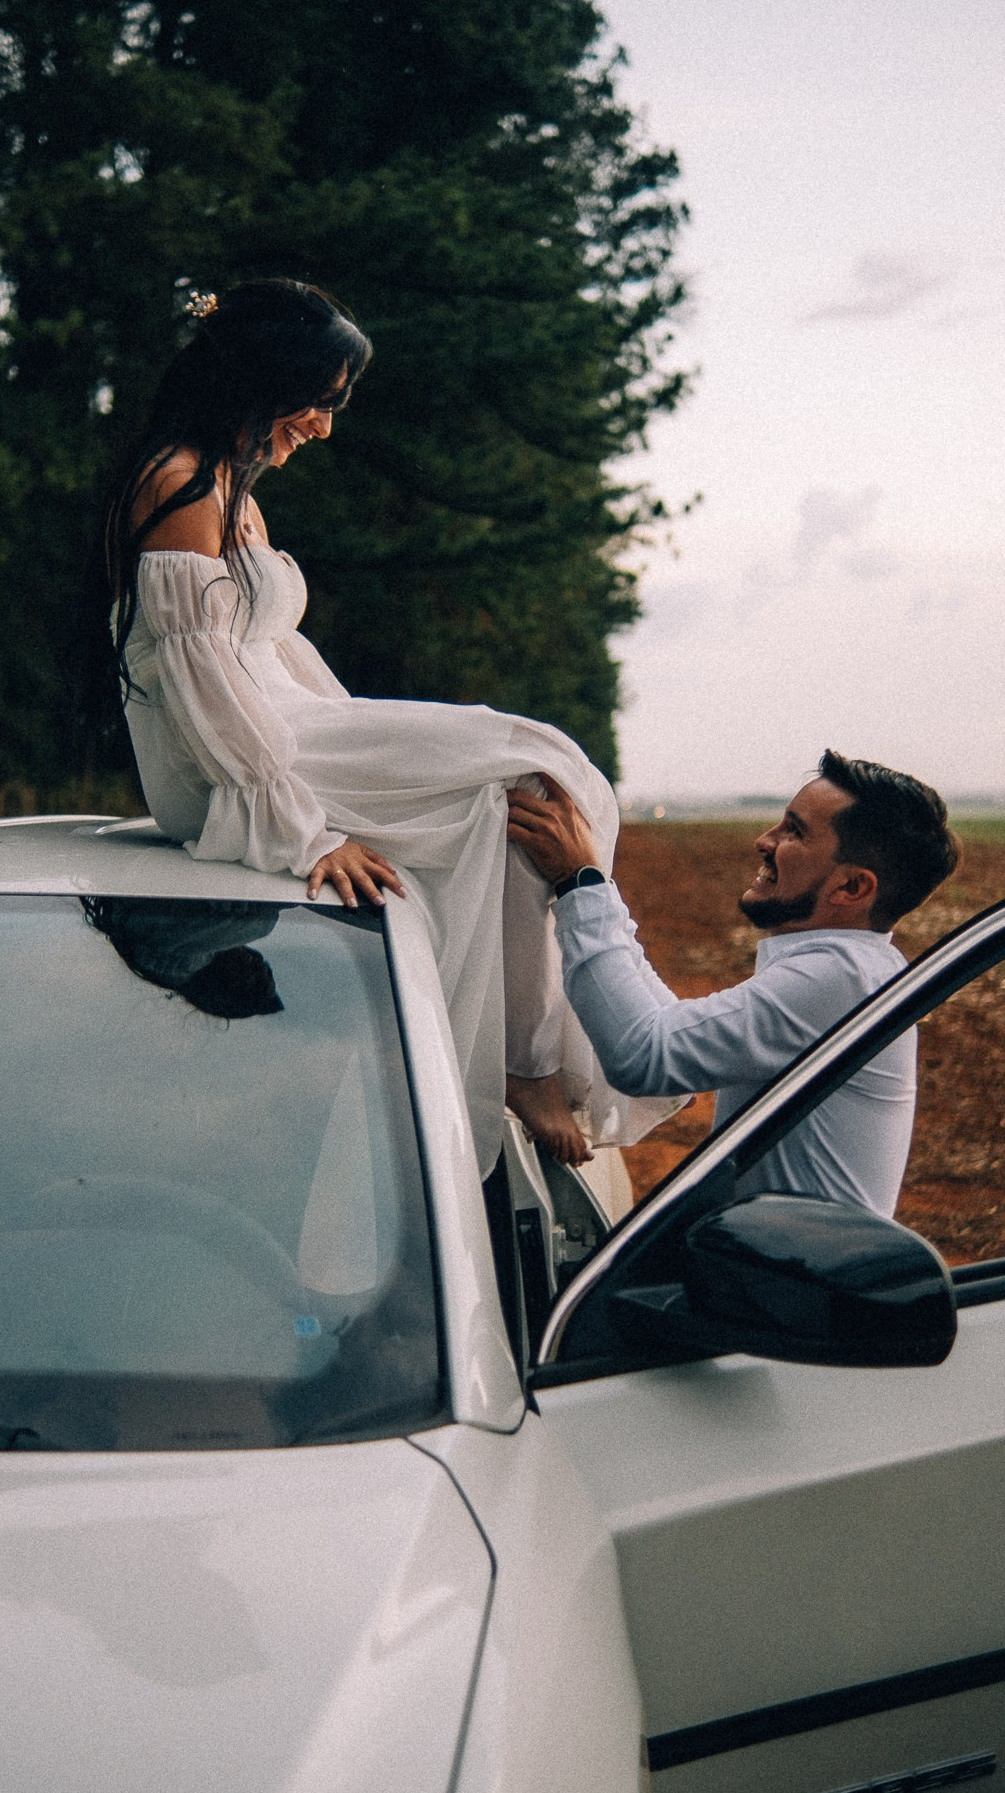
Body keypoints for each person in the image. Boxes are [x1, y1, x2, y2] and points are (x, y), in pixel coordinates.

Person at [103, 278, 676, 1175]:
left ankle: (525, 1054)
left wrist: (373, 739)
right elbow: (196, 679)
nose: (325, 426)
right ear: (260, 382)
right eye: (318, 402)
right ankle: (523, 1064)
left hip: (282, 724)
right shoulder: (181, 490)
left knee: (538, 777)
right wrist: (306, 829)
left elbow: (272, 652)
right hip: (230, 758)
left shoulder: (228, 487)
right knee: (524, 770)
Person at [505, 751, 960, 1216]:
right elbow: (664, 1027)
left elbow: (643, 1056)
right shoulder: (854, 968)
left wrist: (578, 883)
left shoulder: (843, 977)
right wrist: (592, 881)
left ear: (850, 889)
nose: (764, 840)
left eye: (794, 832)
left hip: (785, 1282)